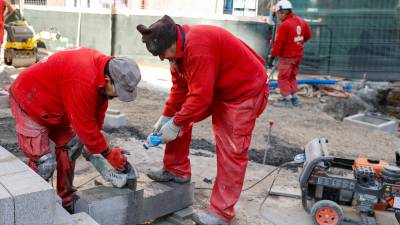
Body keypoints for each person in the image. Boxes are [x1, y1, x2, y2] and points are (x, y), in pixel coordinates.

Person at [136, 15, 269, 225]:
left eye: (162, 53)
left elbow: (200, 97)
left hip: (243, 91)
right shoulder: (177, 53)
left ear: (172, 43)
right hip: (217, 87)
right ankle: (176, 170)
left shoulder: (198, 47)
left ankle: (221, 213)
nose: (162, 59)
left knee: (231, 149)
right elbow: (180, 89)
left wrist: (176, 122)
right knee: (179, 116)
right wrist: (166, 116)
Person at [9, 47, 141, 212]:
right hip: (29, 100)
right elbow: (84, 127)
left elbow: (95, 119)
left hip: (57, 105)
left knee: (71, 146)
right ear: (108, 79)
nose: (116, 97)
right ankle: (25, 209)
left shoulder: (105, 74)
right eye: (117, 92)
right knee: (44, 164)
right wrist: (107, 153)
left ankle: (66, 202)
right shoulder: (84, 79)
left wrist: (96, 150)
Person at [267, 0, 312, 107]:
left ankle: (287, 100)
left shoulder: (285, 25)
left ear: (283, 12)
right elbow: (308, 35)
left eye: (278, 13)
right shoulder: (301, 21)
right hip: (298, 55)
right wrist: (298, 43)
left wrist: (272, 57)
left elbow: (278, 44)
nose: (277, 16)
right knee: (291, 77)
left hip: (287, 56)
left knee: (283, 78)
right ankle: (294, 98)